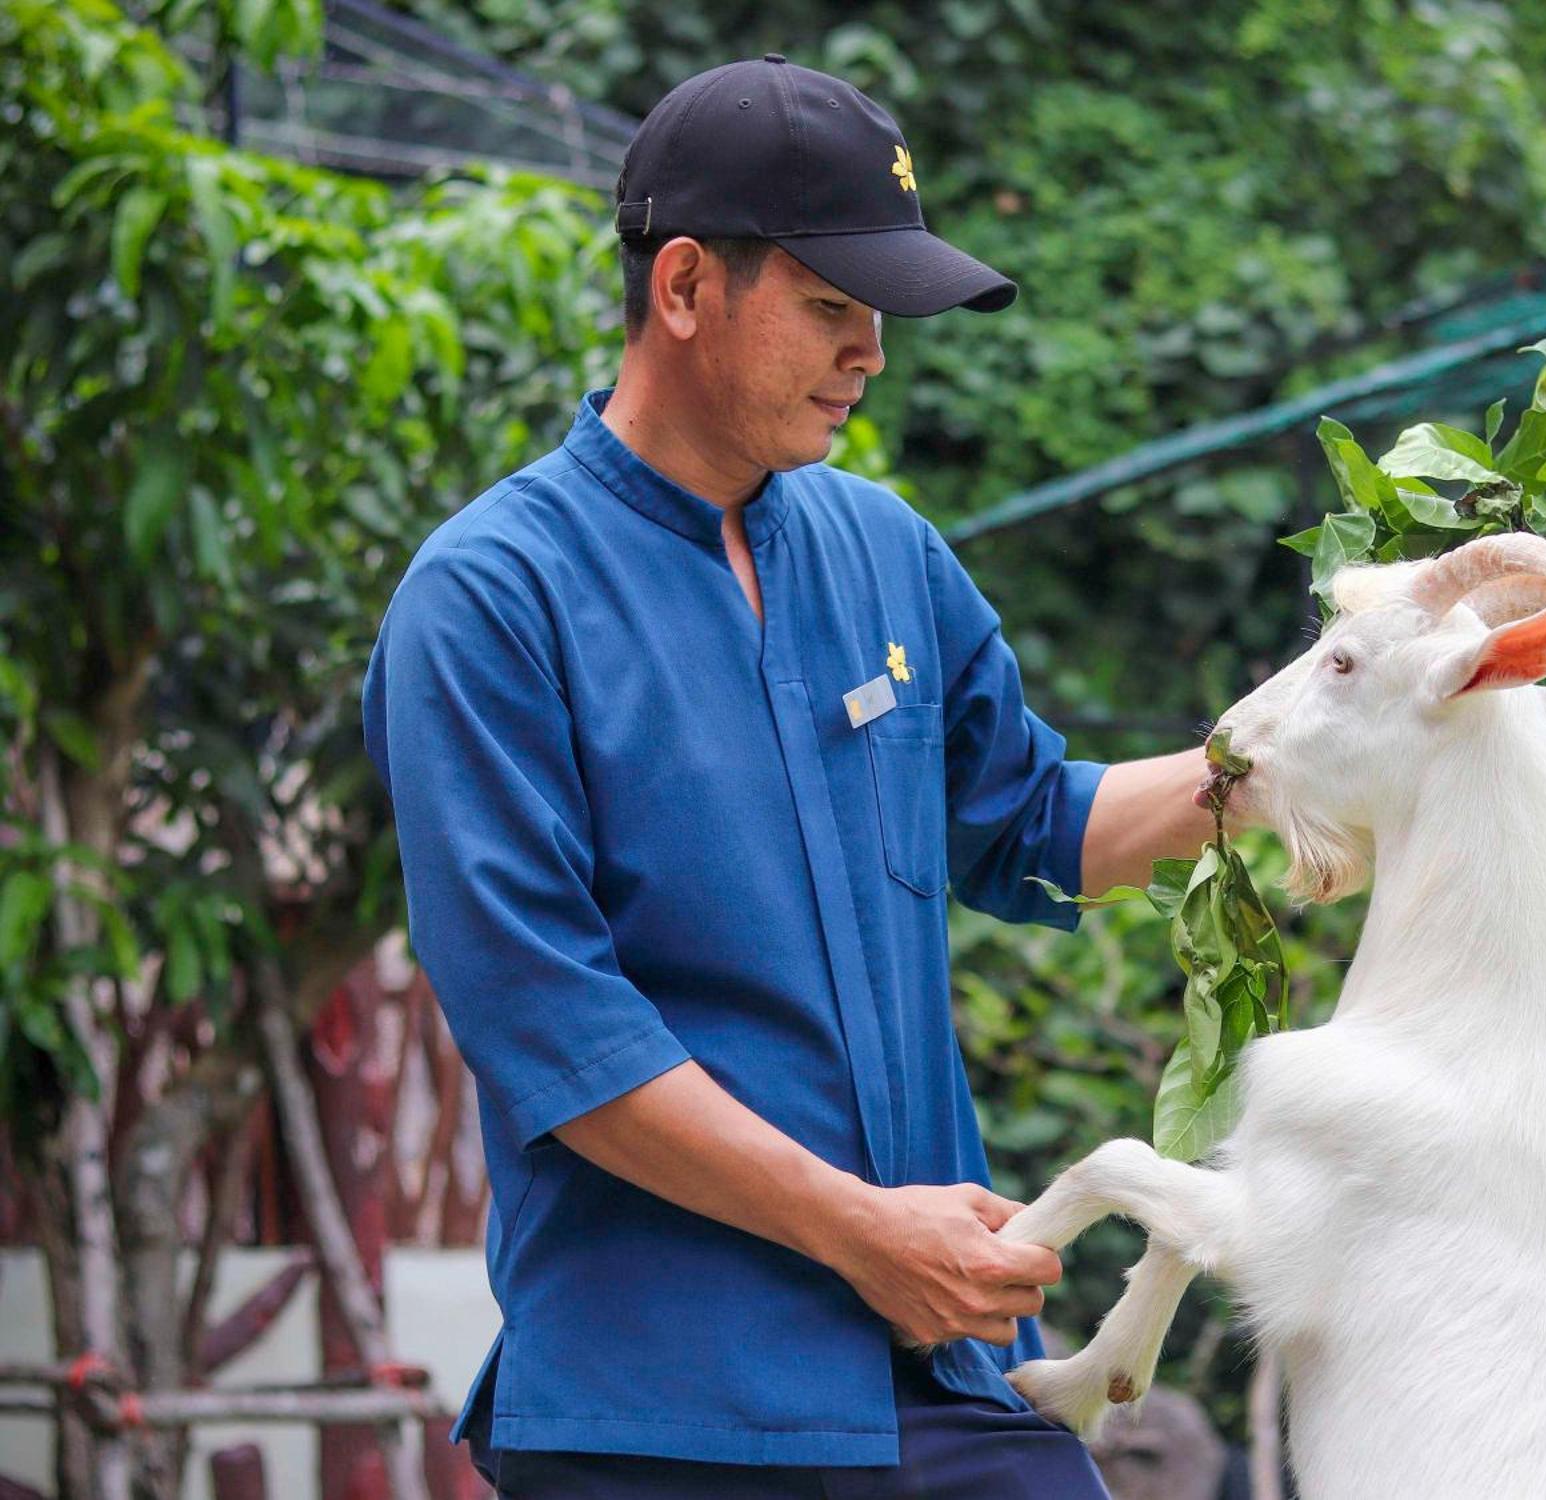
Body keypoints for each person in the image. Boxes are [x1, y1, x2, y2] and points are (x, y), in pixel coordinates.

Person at [360, 53, 1226, 1499]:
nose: (870, 353)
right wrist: (864, 1232)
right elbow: (555, 1030)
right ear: (686, 287)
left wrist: (1311, 757)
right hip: (656, 1411)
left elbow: (1037, 821)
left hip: (926, 1379)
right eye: (831, 307)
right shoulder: (491, 600)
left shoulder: (886, 552)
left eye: (876, 314)